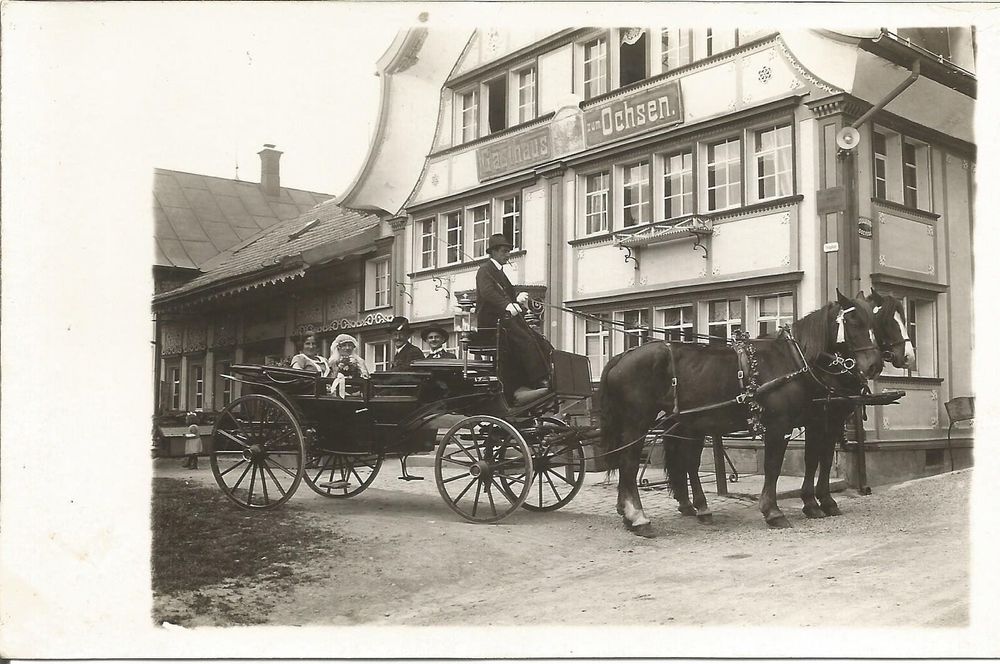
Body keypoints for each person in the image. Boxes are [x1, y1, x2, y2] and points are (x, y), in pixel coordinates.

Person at [475, 233, 552, 400]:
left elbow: (505, 295)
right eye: (504, 251)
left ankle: (541, 378)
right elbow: (487, 292)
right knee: (526, 340)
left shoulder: (500, 273)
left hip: (505, 320)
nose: (507, 255)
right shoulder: (485, 270)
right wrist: (508, 305)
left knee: (541, 341)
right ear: (494, 252)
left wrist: (516, 300)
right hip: (492, 323)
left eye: (508, 251)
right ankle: (538, 380)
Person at [328, 333, 370, 397]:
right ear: (338, 347)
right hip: (337, 393)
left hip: (357, 393)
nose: (347, 348)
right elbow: (329, 380)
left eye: (350, 345)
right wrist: (337, 369)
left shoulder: (359, 361)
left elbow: (366, 378)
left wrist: (358, 368)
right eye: (344, 345)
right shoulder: (333, 361)